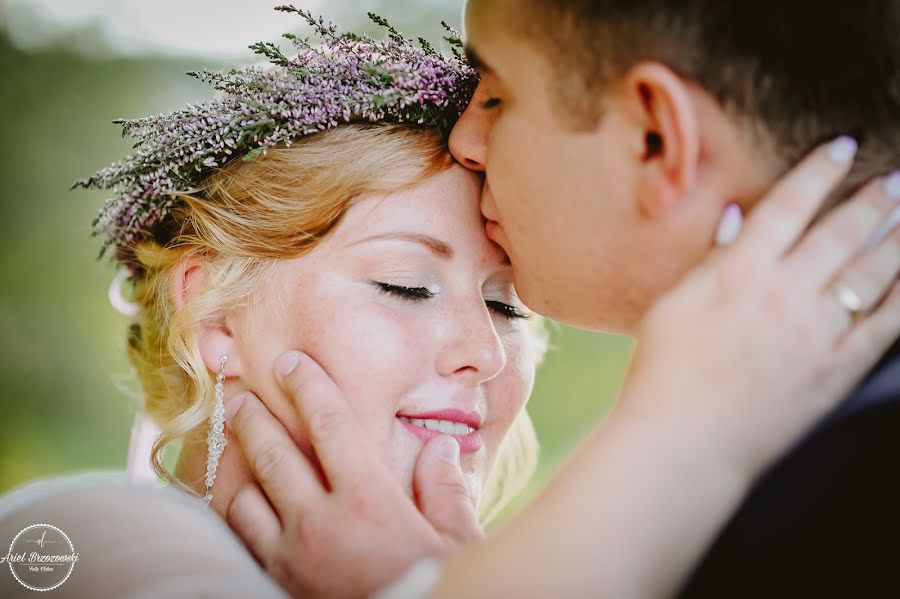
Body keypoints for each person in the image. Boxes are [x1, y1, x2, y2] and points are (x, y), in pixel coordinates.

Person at [0, 6, 896, 599]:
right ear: (213, 314)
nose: (487, 353)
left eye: (508, 306)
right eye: (404, 284)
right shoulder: (64, 539)